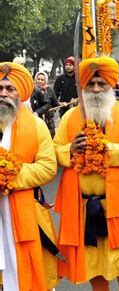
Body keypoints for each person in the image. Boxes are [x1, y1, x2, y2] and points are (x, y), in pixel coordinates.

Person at [53, 56, 119, 290]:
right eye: (90, 85)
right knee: (93, 261)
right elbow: (55, 151)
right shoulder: (69, 117)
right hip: (84, 207)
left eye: (101, 84)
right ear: (83, 87)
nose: (95, 89)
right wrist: (71, 149)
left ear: (110, 85)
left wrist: (105, 149)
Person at [0, 62, 58, 290]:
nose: (3, 94)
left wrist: (8, 174)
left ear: (21, 92)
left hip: (24, 212)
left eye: (9, 89)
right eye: (0, 88)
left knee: (27, 274)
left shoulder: (37, 126)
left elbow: (47, 167)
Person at [30, 71, 59, 137]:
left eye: (42, 80)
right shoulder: (31, 89)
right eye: (38, 79)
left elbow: (55, 103)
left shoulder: (49, 90)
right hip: (33, 119)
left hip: (48, 121)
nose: (40, 81)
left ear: (45, 81)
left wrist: (61, 103)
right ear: (35, 79)